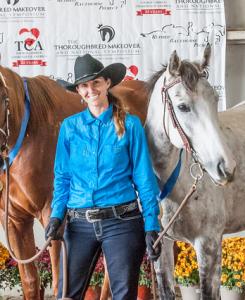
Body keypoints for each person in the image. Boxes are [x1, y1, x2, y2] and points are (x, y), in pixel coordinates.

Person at [45, 54, 161, 300]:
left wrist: (152, 225)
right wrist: (56, 216)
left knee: (123, 295)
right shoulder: (69, 127)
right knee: (66, 294)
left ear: (108, 83)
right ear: (78, 91)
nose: (91, 90)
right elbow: (62, 178)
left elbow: (144, 179)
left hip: (122, 222)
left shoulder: (131, 126)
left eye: (96, 83)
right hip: (78, 225)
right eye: (84, 86)